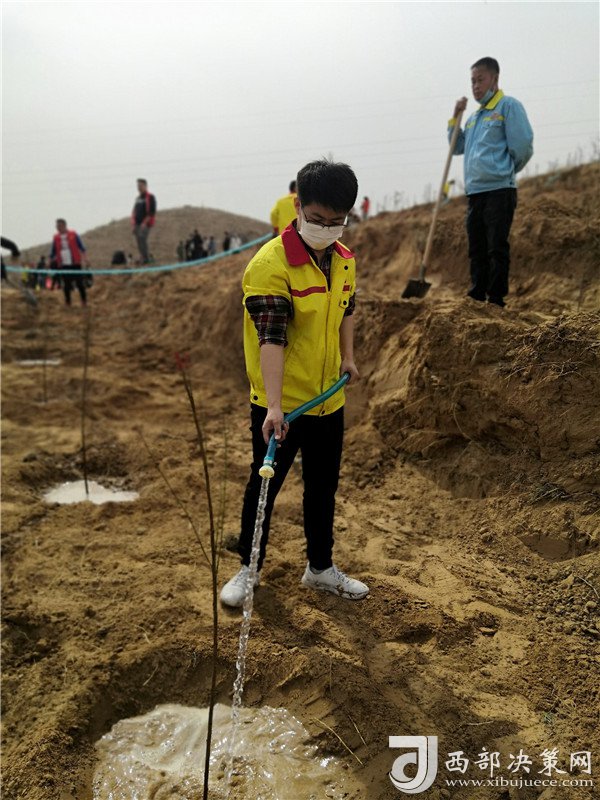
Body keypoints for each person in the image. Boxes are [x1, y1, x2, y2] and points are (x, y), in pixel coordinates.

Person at [220, 158, 369, 608]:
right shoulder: (271, 264)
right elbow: (271, 338)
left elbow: (346, 309)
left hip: (328, 400)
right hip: (282, 404)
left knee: (323, 486)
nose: (326, 229)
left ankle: (320, 568)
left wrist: (348, 357)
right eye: (317, 219)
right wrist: (274, 407)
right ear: (298, 206)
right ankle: (248, 568)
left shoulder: (344, 260)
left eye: (336, 221)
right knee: (265, 484)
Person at [449, 57, 533, 307]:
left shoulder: (508, 107)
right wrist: (455, 117)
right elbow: (457, 147)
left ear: (494, 79)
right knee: (477, 246)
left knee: (496, 246)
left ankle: (496, 299)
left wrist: (506, 170)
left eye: (480, 80)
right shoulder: (474, 118)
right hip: (475, 191)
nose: (476, 86)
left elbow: (523, 145)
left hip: (500, 190)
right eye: (472, 81)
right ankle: (477, 294)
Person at [49, 219, 89, 306]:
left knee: (79, 283)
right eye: (57, 226)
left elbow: (82, 247)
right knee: (66, 284)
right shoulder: (56, 237)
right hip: (63, 264)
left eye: (59, 226)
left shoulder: (73, 234)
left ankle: (84, 301)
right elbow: (53, 252)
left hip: (75, 262)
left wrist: (85, 259)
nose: (57, 228)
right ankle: (68, 302)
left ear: (64, 225)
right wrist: (49, 261)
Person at [131, 178, 156, 265]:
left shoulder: (150, 197)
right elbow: (134, 212)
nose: (139, 187)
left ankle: (146, 258)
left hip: (146, 223)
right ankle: (142, 256)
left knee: (142, 238)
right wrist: (133, 224)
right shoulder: (137, 198)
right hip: (137, 223)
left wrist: (144, 223)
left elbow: (152, 212)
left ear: (145, 186)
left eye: (141, 185)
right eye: (138, 186)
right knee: (138, 240)